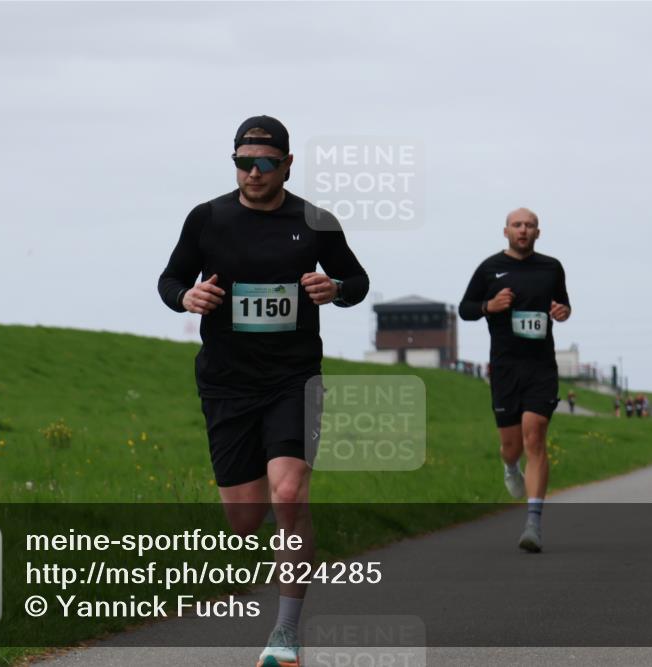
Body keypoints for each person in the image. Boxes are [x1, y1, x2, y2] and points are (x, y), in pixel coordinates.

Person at [157, 115, 369, 667]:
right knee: (246, 519)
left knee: (291, 494)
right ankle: (282, 525)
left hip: (292, 378)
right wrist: (186, 298)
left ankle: (285, 634)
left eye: (266, 162)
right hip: (227, 381)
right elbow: (169, 279)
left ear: (287, 164)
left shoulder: (315, 221)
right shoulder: (207, 219)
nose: (254, 172)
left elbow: (358, 282)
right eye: (243, 162)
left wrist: (336, 287)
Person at [459, 206, 571, 553]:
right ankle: (510, 467)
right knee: (513, 446)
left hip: (541, 368)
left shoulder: (551, 267)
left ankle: (533, 524)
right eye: (517, 225)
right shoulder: (490, 268)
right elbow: (465, 308)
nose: (523, 230)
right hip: (505, 369)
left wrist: (562, 312)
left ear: (538, 233)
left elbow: (564, 305)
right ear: (505, 231)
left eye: (530, 225)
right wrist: (488, 306)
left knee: (535, 437)